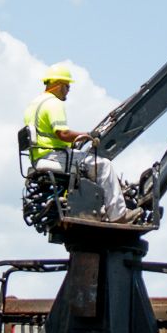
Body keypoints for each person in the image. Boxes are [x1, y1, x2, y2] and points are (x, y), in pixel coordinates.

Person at [24, 64, 128, 221]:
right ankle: (118, 215)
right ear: (59, 86)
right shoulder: (54, 103)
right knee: (104, 165)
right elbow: (63, 133)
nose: (68, 90)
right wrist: (87, 136)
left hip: (41, 155)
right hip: (53, 156)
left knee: (86, 163)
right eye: (67, 86)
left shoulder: (34, 104)